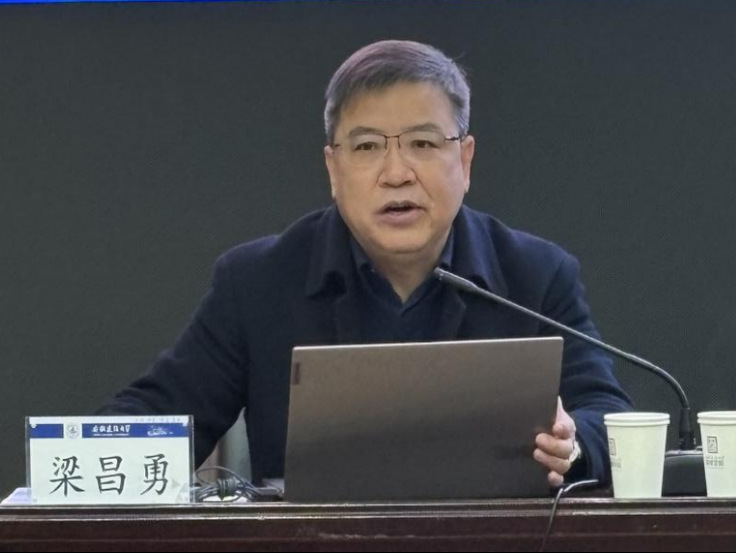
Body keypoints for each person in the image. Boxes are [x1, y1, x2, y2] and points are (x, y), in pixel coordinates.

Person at [99, 40, 632, 489]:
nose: (396, 173)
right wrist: (76, 454)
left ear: (465, 159)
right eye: (368, 147)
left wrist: (574, 443)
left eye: (423, 142)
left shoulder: (535, 275)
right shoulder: (258, 282)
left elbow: (610, 417)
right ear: (333, 169)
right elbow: (157, 419)